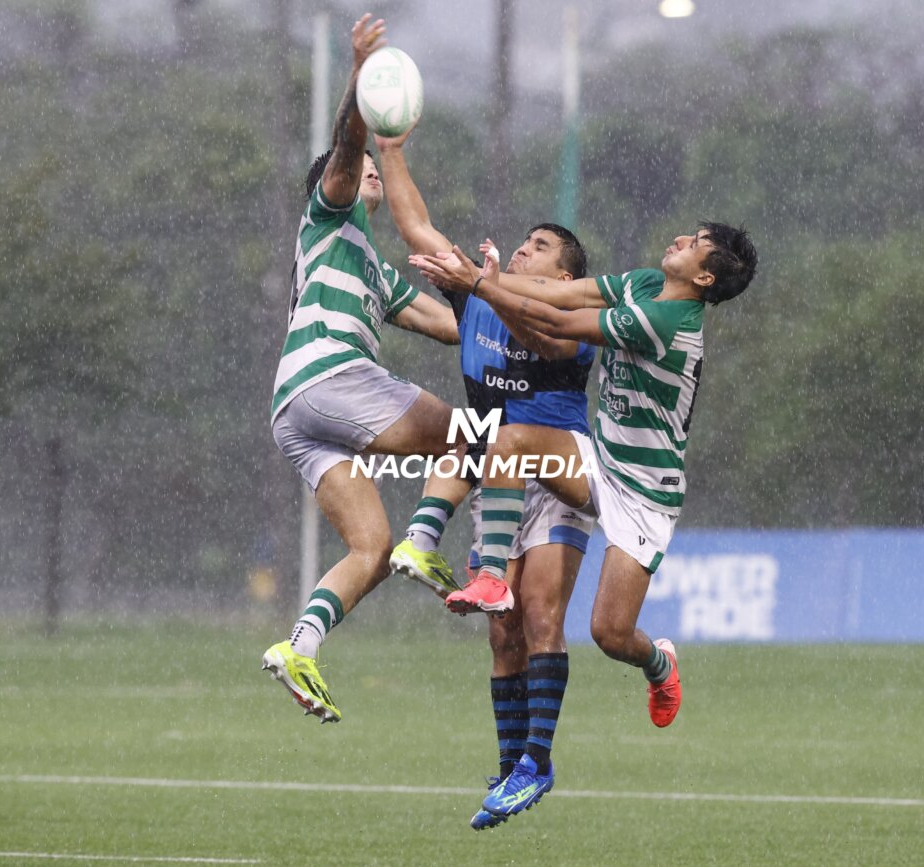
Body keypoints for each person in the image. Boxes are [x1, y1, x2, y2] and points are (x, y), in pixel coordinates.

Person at [412, 224, 757, 753]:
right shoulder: (644, 285)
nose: (680, 239)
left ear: (705, 276)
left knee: (611, 634)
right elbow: (556, 291)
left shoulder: (661, 320)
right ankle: (490, 578)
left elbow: (556, 320)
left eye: (694, 243)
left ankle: (660, 664)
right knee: (506, 440)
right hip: (599, 460)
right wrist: (485, 278)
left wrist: (480, 287)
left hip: (646, 493)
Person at [373, 130, 596, 829]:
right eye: (523, 242)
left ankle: (538, 759)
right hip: (499, 477)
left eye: (540, 247)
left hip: (558, 468)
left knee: (540, 617)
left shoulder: (571, 316)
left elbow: (543, 341)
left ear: (563, 279)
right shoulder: (477, 294)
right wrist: (392, 147)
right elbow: (414, 225)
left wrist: (487, 285)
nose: (524, 248)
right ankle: (508, 770)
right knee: (503, 635)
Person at [260, 14, 462, 725]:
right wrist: (359, 79)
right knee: (475, 433)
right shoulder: (330, 213)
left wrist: (484, 289)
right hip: (330, 377)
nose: (368, 171)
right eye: (363, 169)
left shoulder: (373, 267)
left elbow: (450, 326)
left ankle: (300, 647)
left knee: (370, 547)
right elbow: (347, 142)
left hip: (296, 411)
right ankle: (431, 538)